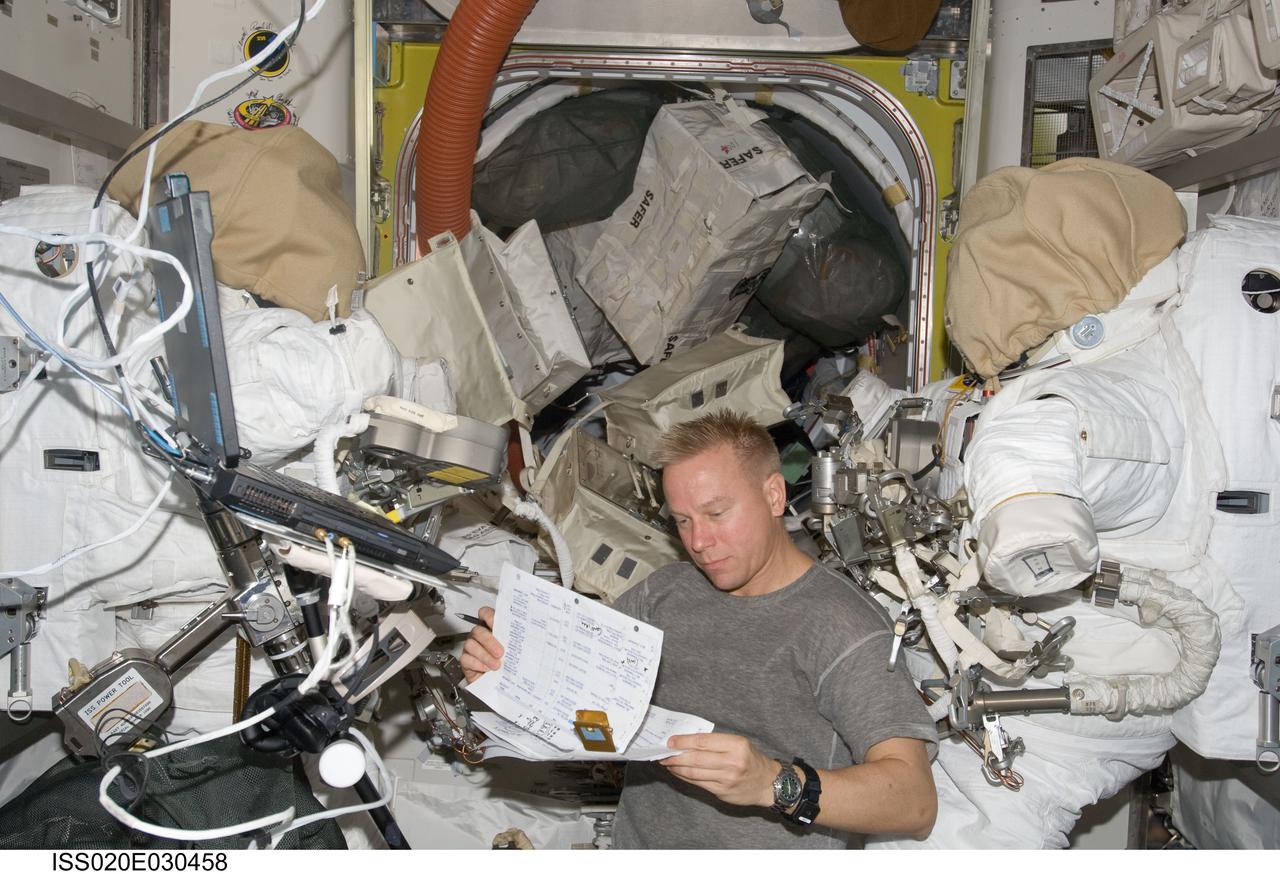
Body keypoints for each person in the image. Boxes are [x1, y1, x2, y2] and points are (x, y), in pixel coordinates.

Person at [463, 410, 938, 848]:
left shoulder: (843, 626)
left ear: (774, 495)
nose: (699, 542)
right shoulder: (665, 594)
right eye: (683, 521)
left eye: (716, 513)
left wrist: (772, 783)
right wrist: (507, 663)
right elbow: (577, 687)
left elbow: (914, 803)